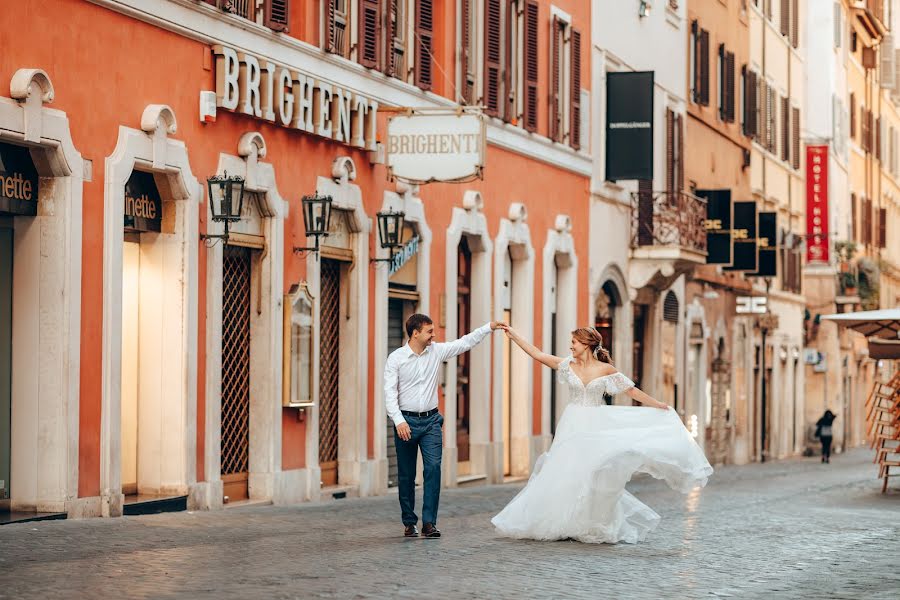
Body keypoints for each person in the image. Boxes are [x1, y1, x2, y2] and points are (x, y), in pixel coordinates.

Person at [491, 326, 713, 544]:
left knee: (592, 472)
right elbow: (537, 354)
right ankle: (561, 520)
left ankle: (586, 522)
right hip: (571, 423)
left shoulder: (606, 370)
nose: (571, 346)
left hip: (594, 423)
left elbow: (631, 391)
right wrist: (513, 335)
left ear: (586, 344)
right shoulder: (567, 365)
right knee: (567, 469)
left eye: (574, 342)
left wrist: (657, 404)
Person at [384, 314, 505, 538]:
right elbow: (389, 393)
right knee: (406, 475)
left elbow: (464, 342)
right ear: (415, 333)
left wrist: (488, 327)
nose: (433, 335)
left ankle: (429, 523)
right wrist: (399, 420)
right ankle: (409, 522)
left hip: (431, 422)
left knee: (433, 469)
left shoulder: (436, 351)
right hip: (406, 423)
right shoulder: (396, 359)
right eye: (429, 331)